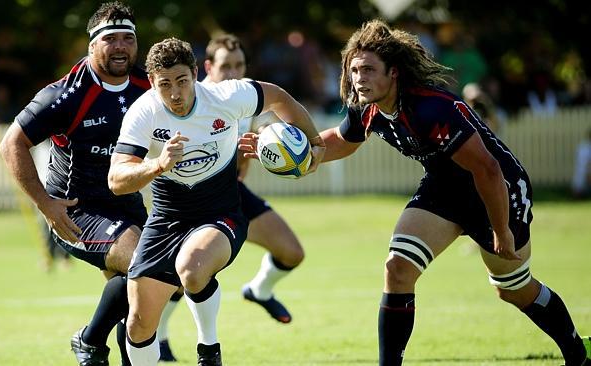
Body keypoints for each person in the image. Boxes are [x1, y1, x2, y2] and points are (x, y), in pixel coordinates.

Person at [240, 19, 591, 366]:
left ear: (393, 72)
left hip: (497, 189)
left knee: (513, 289)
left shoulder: (430, 109)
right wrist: (304, 156)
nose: (358, 79)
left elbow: (488, 170)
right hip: (443, 186)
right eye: (354, 70)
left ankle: (577, 351)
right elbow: (344, 140)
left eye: (367, 70)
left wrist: (501, 231)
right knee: (398, 267)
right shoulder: (366, 106)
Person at [107, 37, 325, 366]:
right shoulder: (143, 113)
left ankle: (209, 352)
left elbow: (279, 97)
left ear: (196, 73)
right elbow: (116, 180)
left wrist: (316, 142)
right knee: (137, 325)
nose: (176, 93)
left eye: (182, 80)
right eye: (165, 84)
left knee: (192, 269)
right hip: (167, 218)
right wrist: (157, 164)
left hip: (221, 212)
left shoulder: (227, 96)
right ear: (152, 83)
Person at [0, 2, 150, 365]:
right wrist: (45, 204)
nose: (120, 47)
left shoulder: (148, 85)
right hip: (76, 212)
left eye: (127, 39)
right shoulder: (66, 95)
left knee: (145, 293)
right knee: (150, 265)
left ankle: (104, 350)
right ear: (92, 46)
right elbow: (11, 144)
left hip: (128, 205)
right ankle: (90, 340)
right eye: (110, 39)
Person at [152, 33, 306, 361]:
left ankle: (259, 290)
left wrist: (269, 145)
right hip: (191, 201)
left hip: (232, 194)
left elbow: (260, 144)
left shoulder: (243, 97)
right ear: (206, 67)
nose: (234, 71)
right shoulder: (192, 100)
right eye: (226, 66)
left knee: (291, 252)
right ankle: (161, 339)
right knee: (185, 274)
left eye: (239, 65)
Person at [571, 128, 591, 199]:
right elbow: (588, 167)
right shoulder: (588, 148)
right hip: (584, 181)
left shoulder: (582, 146)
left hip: (578, 181)